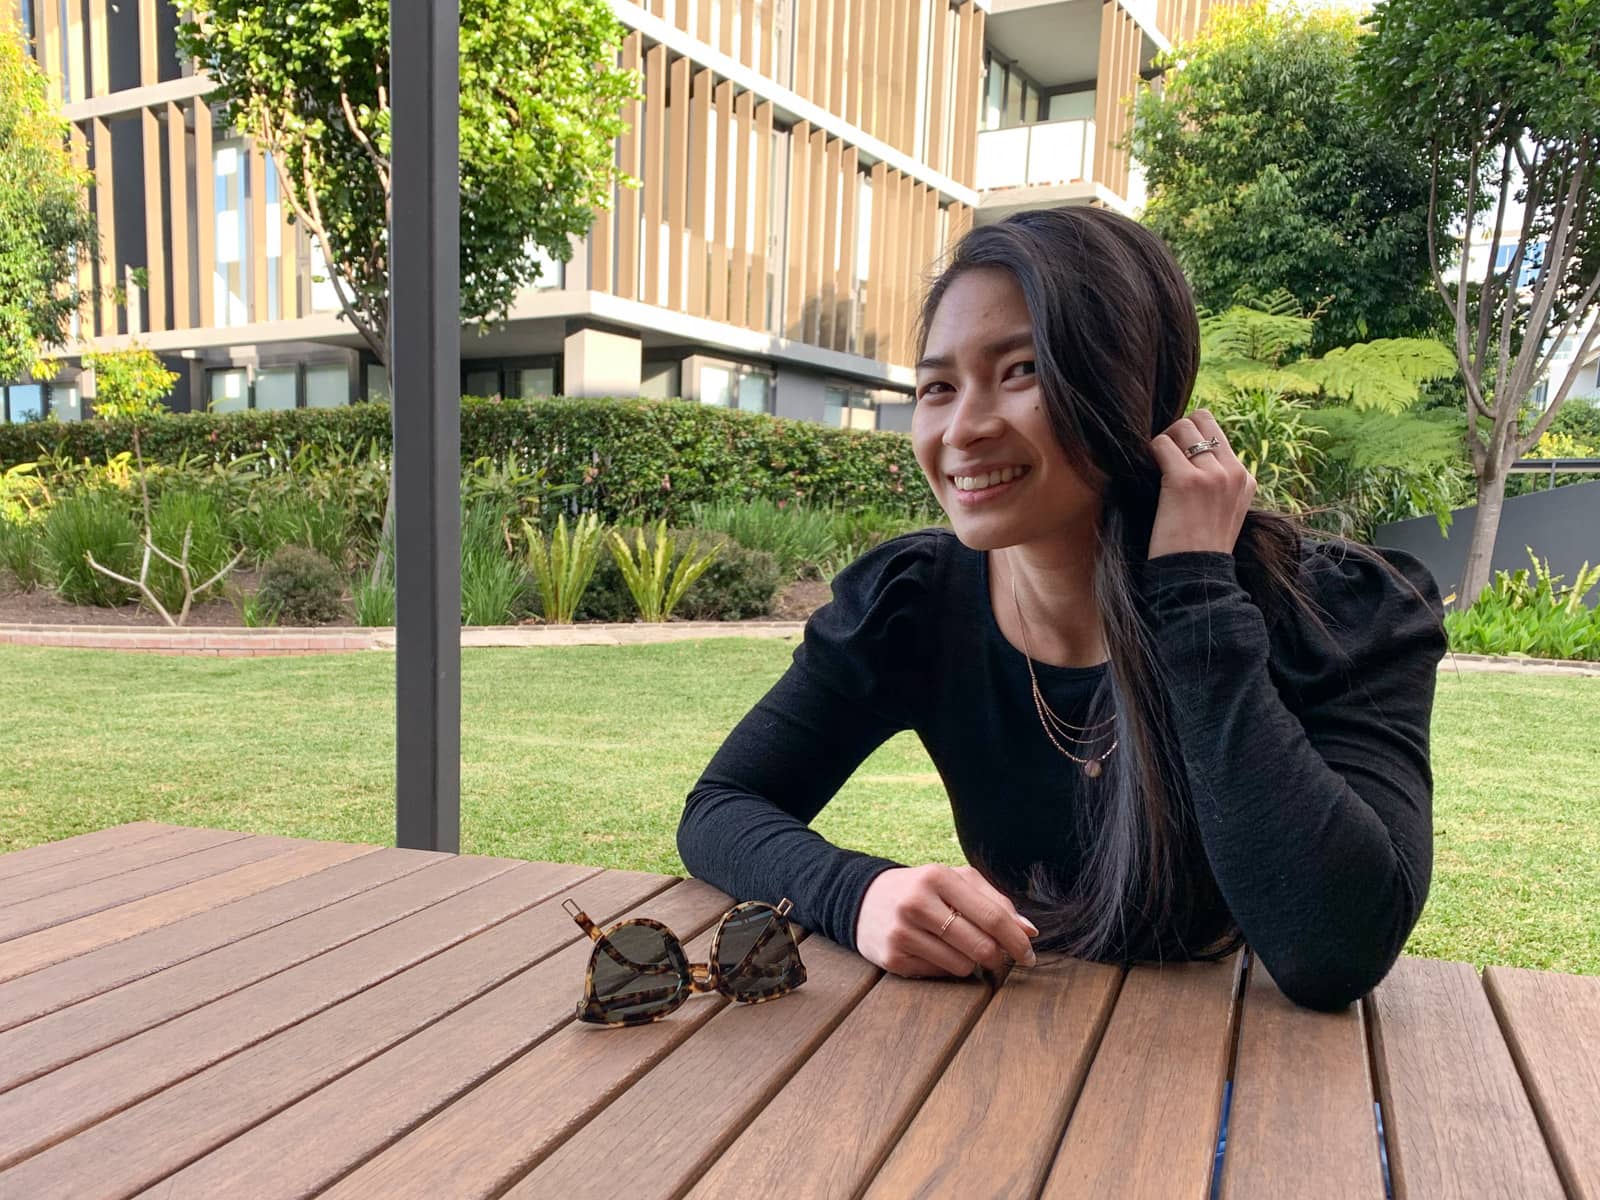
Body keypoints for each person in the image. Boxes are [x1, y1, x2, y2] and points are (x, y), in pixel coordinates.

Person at [677, 206, 1448, 1012]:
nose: (963, 429)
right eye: (938, 387)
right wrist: (856, 894)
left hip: (1251, 1078)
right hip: (1006, 1044)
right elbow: (721, 808)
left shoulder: (1338, 611)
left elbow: (1334, 951)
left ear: (1134, 386)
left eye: (1021, 370)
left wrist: (1194, 591)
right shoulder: (911, 604)